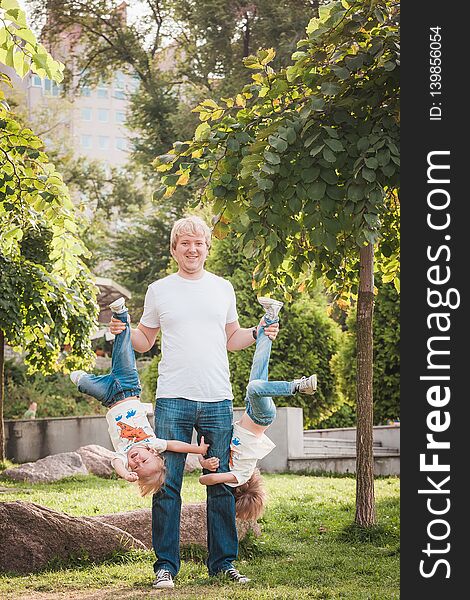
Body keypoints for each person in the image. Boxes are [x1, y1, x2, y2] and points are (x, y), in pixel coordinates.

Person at [109, 215, 280, 589]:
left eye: (198, 243)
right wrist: (122, 333)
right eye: (184, 243)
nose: (192, 249)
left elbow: (232, 338)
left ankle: (223, 564)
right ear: (174, 250)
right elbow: (145, 340)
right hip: (172, 397)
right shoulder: (159, 290)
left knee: (220, 484)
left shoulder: (223, 288)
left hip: (218, 397)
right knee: (167, 484)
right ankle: (165, 567)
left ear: (207, 248)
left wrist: (258, 331)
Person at [70, 298, 210, 496]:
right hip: (129, 388)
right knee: (123, 351)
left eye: (136, 467)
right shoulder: (154, 443)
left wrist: (126, 474)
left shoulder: (124, 456)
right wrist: (198, 449)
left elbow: (116, 463)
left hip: (110, 397)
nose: (136, 461)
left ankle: (88, 378)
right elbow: (176, 446)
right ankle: (121, 314)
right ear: (153, 453)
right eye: (143, 461)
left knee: (83, 384)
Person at [199, 297, 317, 522]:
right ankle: (299, 386)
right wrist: (215, 474)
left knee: (259, 365)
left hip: (250, 412)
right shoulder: (238, 476)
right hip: (261, 417)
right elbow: (205, 481)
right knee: (254, 387)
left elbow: (207, 471)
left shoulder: (233, 469)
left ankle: (271, 316)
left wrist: (205, 463)